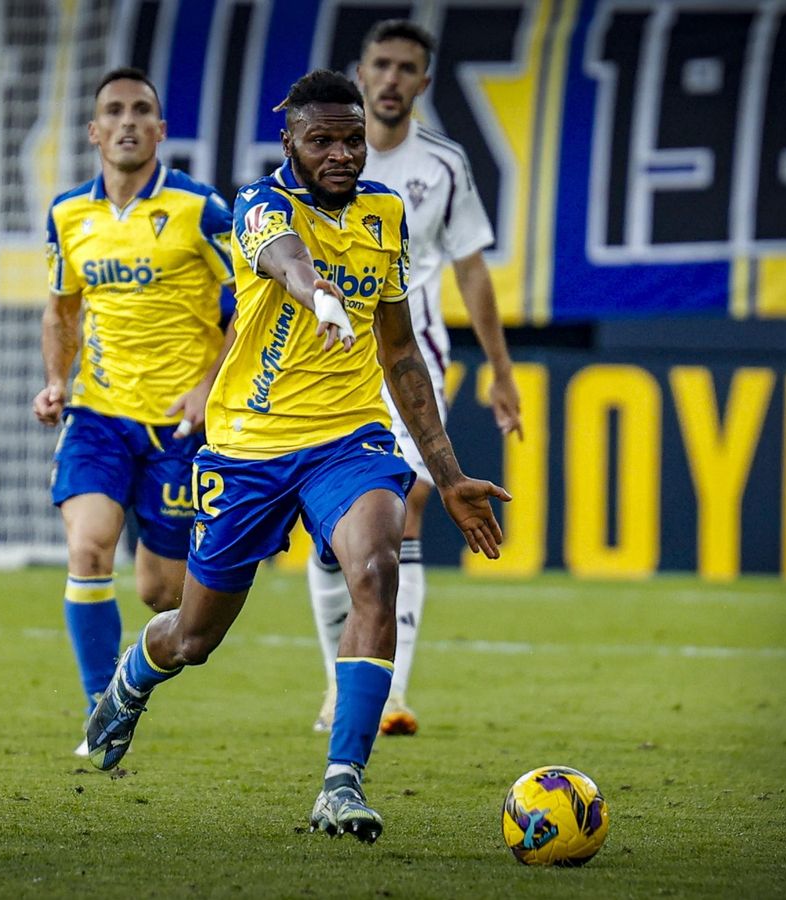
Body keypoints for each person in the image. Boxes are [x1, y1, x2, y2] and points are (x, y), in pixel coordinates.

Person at [83, 69, 509, 843]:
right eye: (322, 141)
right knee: (193, 638)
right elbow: (285, 259)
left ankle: (342, 783)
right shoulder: (259, 205)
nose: (341, 154)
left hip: (348, 441)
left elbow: (399, 350)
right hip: (249, 449)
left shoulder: (384, 213)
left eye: (352, 140)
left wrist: (447, 476)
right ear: (290, 143)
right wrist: (320, 297)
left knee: (376, 570)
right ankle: (135, 673)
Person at [305, 19, 525, 737]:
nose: (392, 78)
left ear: (424, 82)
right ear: (360, 72)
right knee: (331, 528)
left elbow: (471, 268)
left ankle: (389, 691)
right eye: (382, 65)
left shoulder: (444, 164)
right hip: (325, 358)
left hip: (412, 354)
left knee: (408, 503)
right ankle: (338, 684)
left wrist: (500, 370)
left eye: (406, 68)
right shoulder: (322, 154)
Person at [34, 68, 236, 755]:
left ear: (160, 129)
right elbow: (61, 311)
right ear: (94, 131)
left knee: (162, 593)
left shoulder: (201, 209)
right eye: (114, 111)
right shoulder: (69, 214)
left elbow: (250, 308)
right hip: (99, 415)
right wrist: (56, 381)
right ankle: (102, 708)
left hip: (180, 425)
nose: (128, 121)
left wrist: (207, 387)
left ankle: (129, 676)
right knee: (88, 546)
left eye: (141, 110)